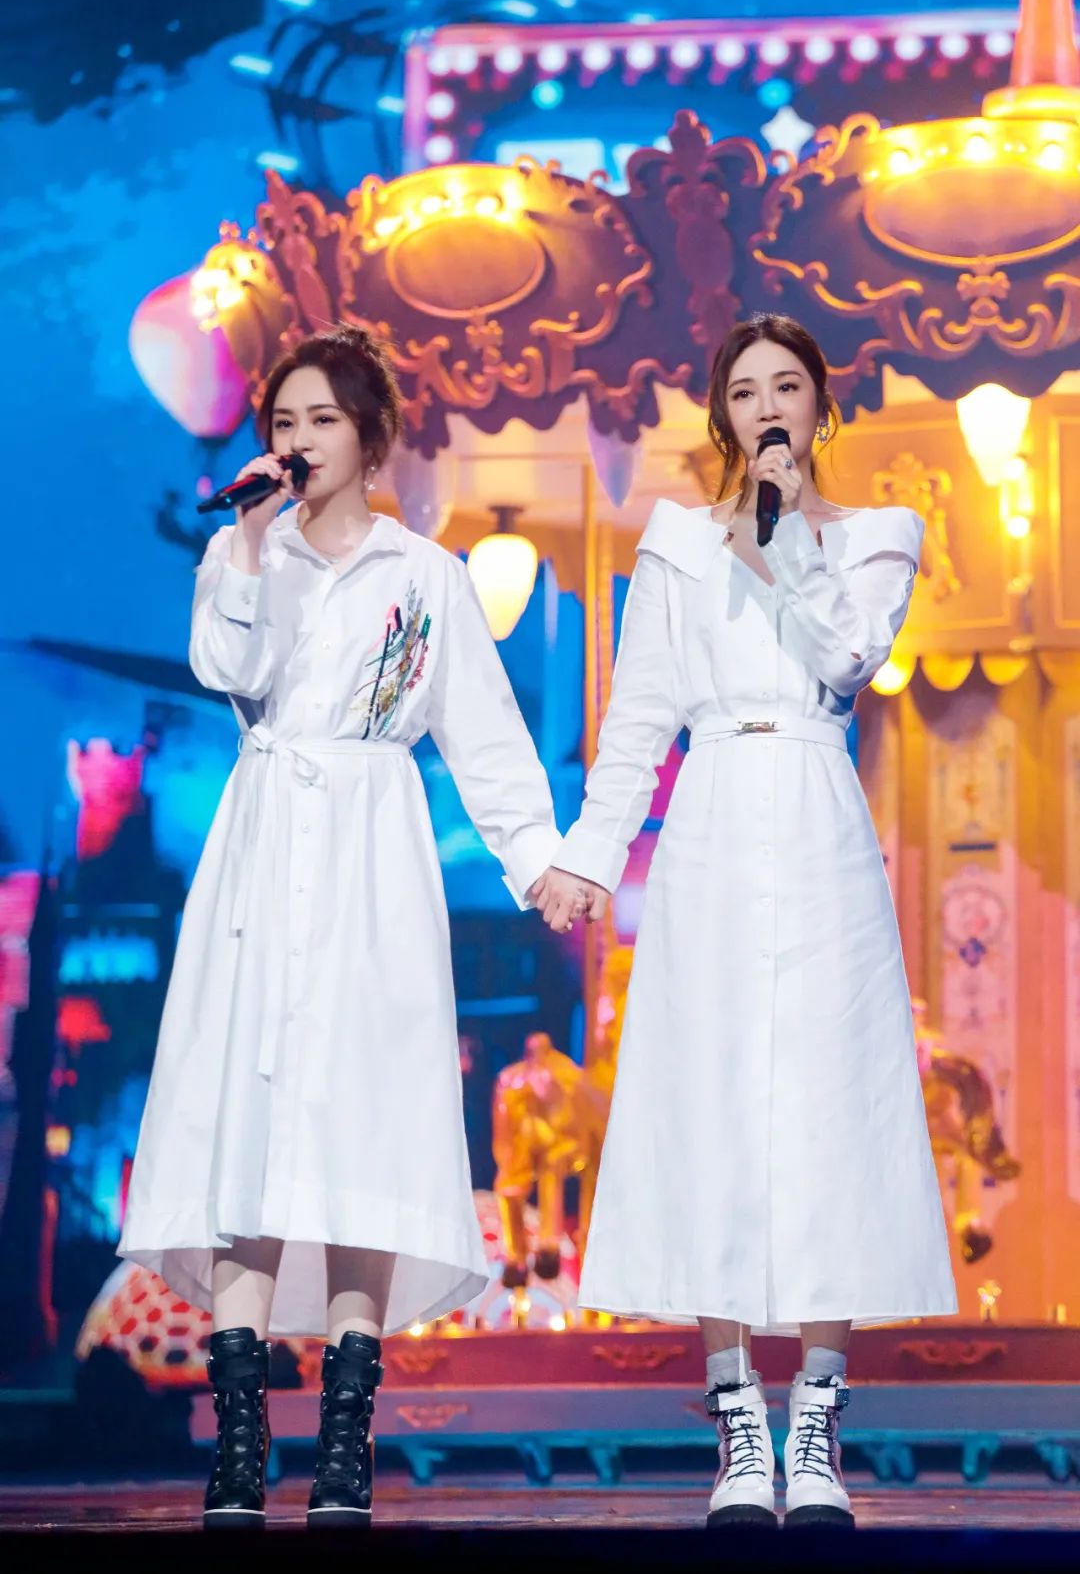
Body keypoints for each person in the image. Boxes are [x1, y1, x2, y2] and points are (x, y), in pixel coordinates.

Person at [118, 324, 561, 1529]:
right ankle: (241, 1440)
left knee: (368, 1119)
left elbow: (484, 733)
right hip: (264, 845)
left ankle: (350, 1437)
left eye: (322, 419)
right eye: (284, 421)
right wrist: (247, 542)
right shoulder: (244, 552)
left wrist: (539, 862)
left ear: (373, 437)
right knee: (249, 1125)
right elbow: (223, 665)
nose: (299, 439)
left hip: (372, 850)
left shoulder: (427, 576)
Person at [532, 313, 956, 1529]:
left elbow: (849, 654)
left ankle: (817, 1418)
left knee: (833, 1108)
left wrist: (782, 539)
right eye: (746, 390)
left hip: (819, 812)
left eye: (788, 387)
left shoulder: (876, 536)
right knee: (707, 1104)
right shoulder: (674, 544)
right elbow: (638, 719)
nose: (768, 406)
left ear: (821, 408)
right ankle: (736, 1422)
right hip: (710, 818)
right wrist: (588, 858)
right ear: (722, 414)